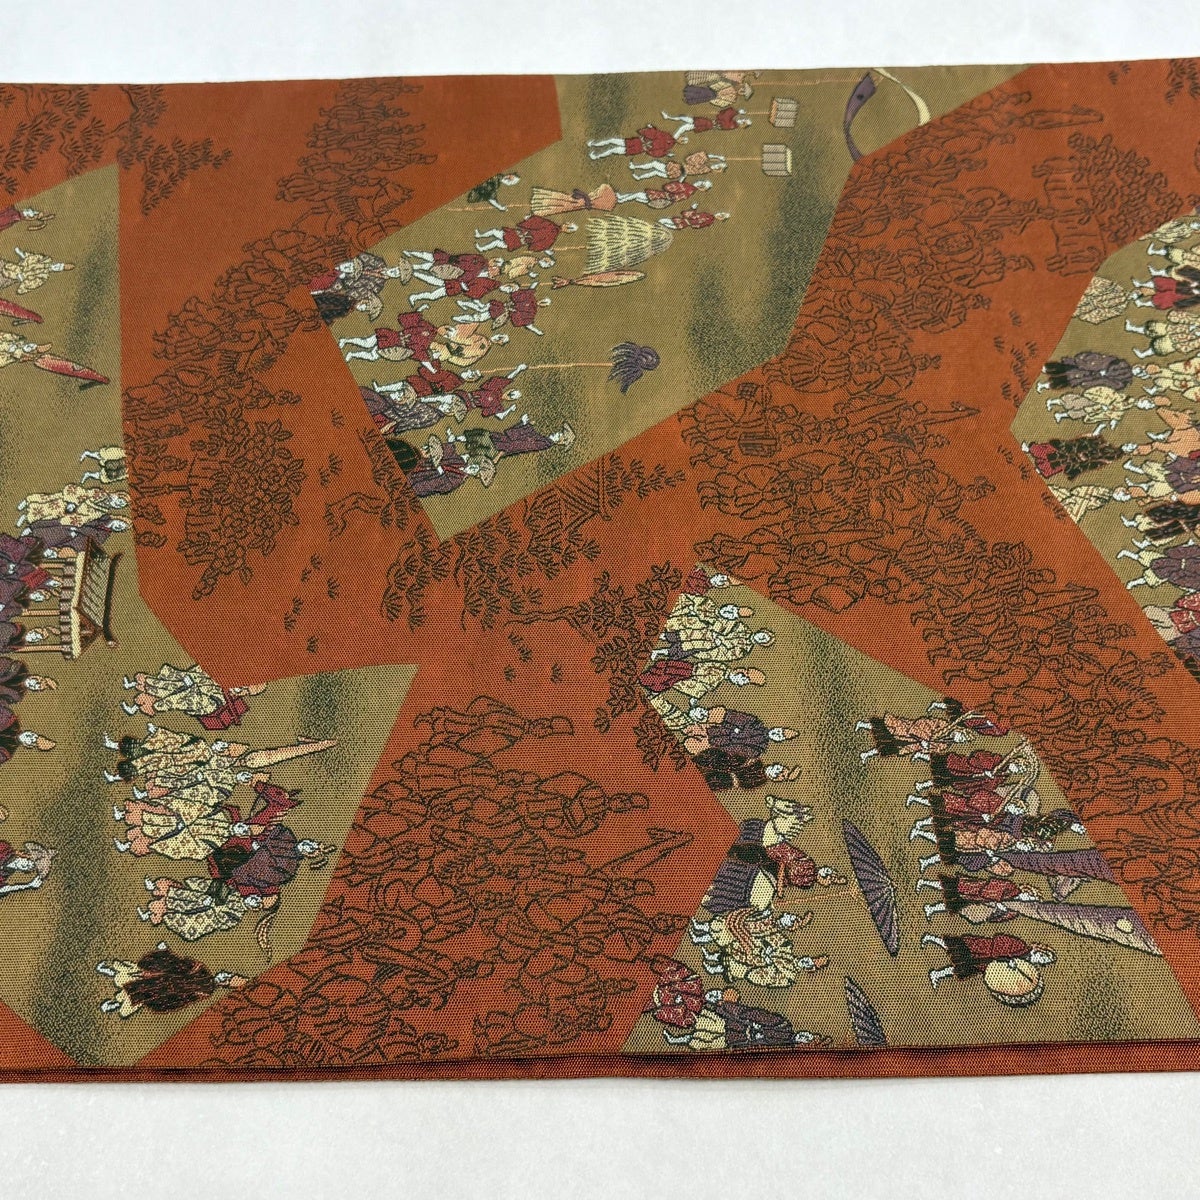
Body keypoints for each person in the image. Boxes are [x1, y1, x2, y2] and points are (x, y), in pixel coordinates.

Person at [96, 943, 246, 1017]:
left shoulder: (206, 989)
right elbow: (181, 964)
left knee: (139, 993)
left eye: (226, 977)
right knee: (135, 973)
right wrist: (166, 955)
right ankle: (110, 971)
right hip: (162, 975)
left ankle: (115, 1004)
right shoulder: (203, 971)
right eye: (227, 974)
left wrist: (167, 998)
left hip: (164, 988)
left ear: (224, 983)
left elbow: (185, 997)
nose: (223, 974)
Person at [121, 664, 267, 729]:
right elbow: (199, 672)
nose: (240, 686)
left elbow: (195, 701)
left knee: (178, 692)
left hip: (195, 698)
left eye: (244, 688)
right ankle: (138, 685)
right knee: (176, 681)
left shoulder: (219, 699)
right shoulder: (221, 677)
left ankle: (138, 705)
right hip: (187, 686)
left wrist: (192, 687)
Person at [922, 931, 1055, 998]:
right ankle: (930, 938)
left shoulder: (1025, 964)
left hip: (986, 964)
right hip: (983, 949)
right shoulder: (1021, 946)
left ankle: (936, 974)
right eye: (1043, 957)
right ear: (1038, 951)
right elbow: (1000, 939)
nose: (1040, 961)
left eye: (1043, 962)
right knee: (957, 947)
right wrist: (1005, 959)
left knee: (963, 968)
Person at [474, 215, 577, 253]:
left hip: (519, 236)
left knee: (496, 238)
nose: (566, 224)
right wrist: (532, 246)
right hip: (520, 239)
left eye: (568, 225)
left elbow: (537, 222)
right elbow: (541, 246)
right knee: (496, 238)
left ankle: (482, 246)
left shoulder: (551, 227)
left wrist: (529, 219)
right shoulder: (553, 236)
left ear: (567, 228)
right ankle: (481, 241)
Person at [587, 124, 680, 160]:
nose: (681, 140)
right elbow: (655, 133)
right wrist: (649, 129)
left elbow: (656, 153)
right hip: (636, 142)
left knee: (614, 149)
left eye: (682, 141)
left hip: (637, 149)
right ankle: (593, 144)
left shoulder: (667, 148)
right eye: (682, 138)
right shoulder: (667, 136)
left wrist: (665, 153)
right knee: (613, 141)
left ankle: (596, 156)